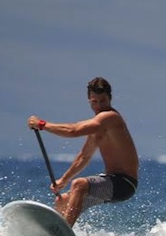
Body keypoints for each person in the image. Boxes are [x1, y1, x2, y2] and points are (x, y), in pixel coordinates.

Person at [27, 77, 139, 227]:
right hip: (110, 181)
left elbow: (74, 130)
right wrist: (63, 180)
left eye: (103, 101)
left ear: (110, 98)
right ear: (89, 101)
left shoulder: (111, 118)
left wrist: (42, 124)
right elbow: (83, 157)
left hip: (124, 184)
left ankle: (65, 233)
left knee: (79, 184)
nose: (99, 106)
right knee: (62, 201)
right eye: (94, 102)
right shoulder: (97, 127)